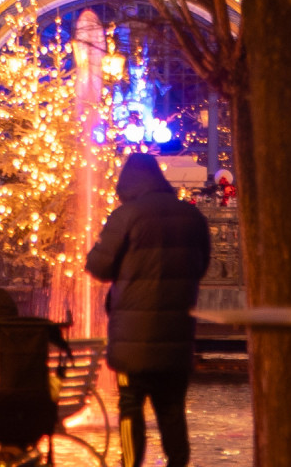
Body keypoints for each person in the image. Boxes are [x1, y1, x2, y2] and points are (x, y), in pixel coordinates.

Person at [85, 151, 212, 467]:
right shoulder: (191, 216)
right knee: (171, 407)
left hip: (132, 335)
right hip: (177, 331)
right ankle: (178, 463)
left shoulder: (126, 216)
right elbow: (202, 265)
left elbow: (99, 266)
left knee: (130, 405)